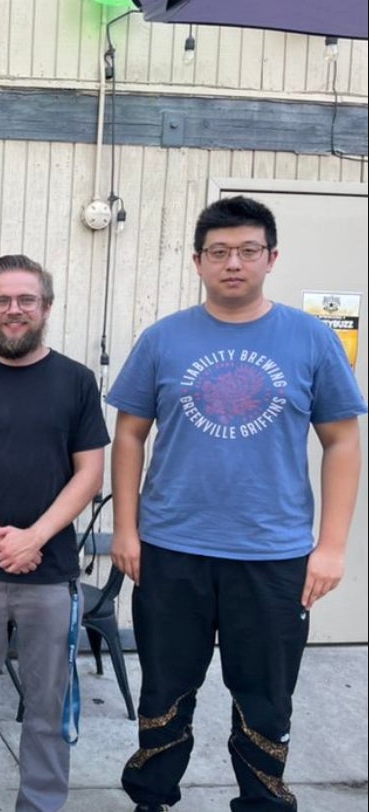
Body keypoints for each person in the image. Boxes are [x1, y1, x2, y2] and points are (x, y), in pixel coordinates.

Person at [107, 196, 366, 812]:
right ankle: (151, 797)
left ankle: (262, 801)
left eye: (248, 251)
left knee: (266, 696)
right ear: (197, 261)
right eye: (219, 252)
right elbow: (130, 434)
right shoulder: (163, 339)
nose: (233, 263)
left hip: (273, 554)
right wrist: (126, 529)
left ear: (271, 258)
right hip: (171, 548)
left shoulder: (311, 339)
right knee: (166, 687)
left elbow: (342, 441)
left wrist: (331, 548)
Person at [0, 254, 109, 812]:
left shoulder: (76, 381)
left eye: (26, 299)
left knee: (48, 707)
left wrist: (34, 538)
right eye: (2, 300)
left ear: (46, 307)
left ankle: (41, 803)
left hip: (49, 575)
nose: (14, 309)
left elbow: (90, 474)